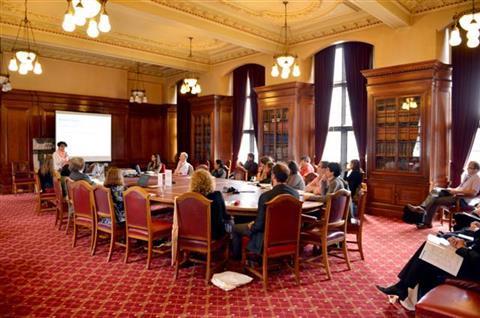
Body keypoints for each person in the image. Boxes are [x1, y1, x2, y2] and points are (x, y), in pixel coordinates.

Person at [376, 221, 480, 311]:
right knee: (429, 246)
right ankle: (402, 287)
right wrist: (466, 243)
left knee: (430, 256)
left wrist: (463, 248)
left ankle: (402, 287)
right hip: (471, 260)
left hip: (473, 270)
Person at [232, 163, 300, 259]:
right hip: (288, 236)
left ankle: (236, 259)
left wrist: (252, 225)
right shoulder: (295, 194)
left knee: (235, 228)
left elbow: (259, 226)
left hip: (266, 237)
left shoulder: (266, 196)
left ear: (273, 176)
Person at [408, 161, 480, 229]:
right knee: (436, 190)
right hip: (455, 194)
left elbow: (473, 193)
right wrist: (452, 189)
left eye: (470, 168)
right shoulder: (467, 176)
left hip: (461, 199)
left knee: (435, 200)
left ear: (476, 170)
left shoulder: (477, 179)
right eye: (468, 167)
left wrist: (455, 192)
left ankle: (424, 217)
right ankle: (423, 211)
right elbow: (460, 188)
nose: (468, 169)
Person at [190, 169, 230, 239]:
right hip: (213, 235)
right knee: (231, 223)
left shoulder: (189, 198)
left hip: (192, 234)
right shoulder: (217, 195)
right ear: (210, 181)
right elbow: (225, 216)